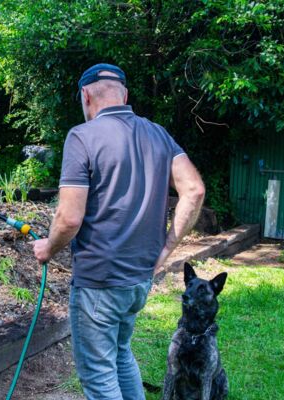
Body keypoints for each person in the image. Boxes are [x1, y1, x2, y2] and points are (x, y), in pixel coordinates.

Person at [31, 63, 205, 400]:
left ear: (85, 96)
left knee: (99, 377)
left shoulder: (82, 136)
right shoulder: (158, 134)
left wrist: (48, 248)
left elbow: (68, 219)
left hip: (100, 284)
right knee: (121, 353)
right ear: (124, 95)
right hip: (139, 280)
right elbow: (194, 190)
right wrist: (167, 248)